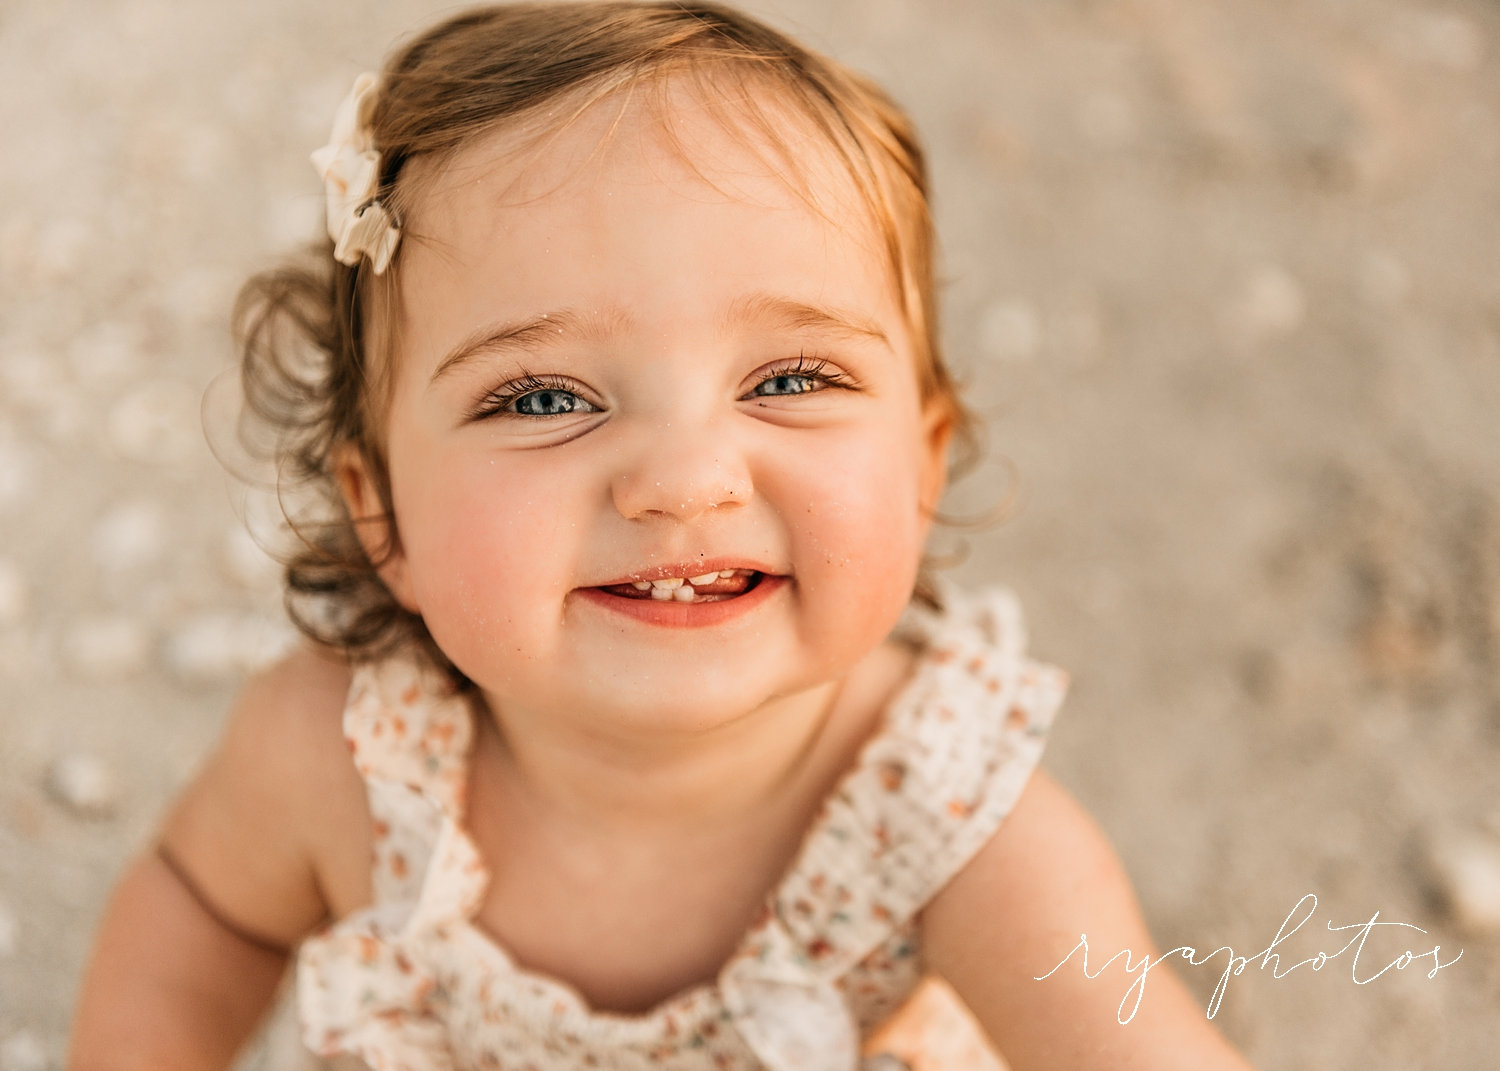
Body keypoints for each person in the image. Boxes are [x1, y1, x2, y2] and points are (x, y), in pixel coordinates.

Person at [68, 4, 1258, 1069]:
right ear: (382, 511)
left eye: (791, 377)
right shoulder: (336, 759)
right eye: (542, 399)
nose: (685, 481)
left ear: (921, 463)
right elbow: (204, 910)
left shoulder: (955, 825)